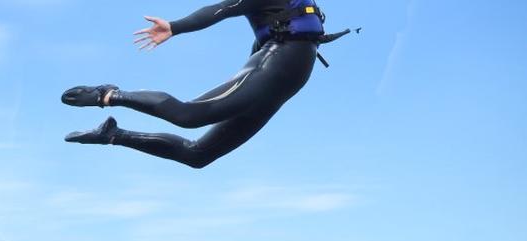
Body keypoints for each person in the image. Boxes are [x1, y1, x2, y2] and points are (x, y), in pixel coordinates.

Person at [63, 0, 351, 169]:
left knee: (198, 155)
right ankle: (109, 94)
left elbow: (269, 32)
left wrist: (250, 77)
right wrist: (175, 27)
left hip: (278, 85)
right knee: (188, 116)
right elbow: (223, 9)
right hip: (277, 67)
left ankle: (113, 135)